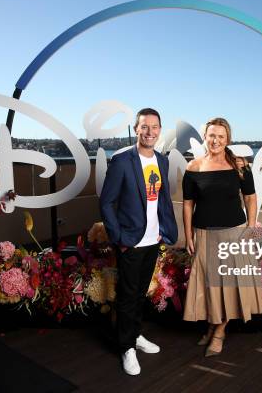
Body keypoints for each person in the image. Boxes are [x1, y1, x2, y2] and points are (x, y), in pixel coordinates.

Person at [100, 108, 178, 376]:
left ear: (160, 130)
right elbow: (107, 202)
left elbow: (161, 199)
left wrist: (164, 230)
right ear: (136, 129)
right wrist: (119, 237)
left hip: (153, 238)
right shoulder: (122, 161)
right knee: (128, 295)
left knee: (141, 292)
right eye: (144, 127)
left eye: (154, 127)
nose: (149, 132)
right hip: (131, 241)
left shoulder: (162, 160)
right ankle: (126, 347)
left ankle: (135, 335)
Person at [182, 117, 262, 357]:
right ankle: (212, 324)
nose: (215, 140)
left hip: (234, 234)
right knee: (210, 286)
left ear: (227, 139)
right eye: (211, 135)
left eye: (220, 136)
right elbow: (188, 204)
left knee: (230, 285)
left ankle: (219, 331)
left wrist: (250, 227)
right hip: (204, 234)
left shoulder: (239, 165)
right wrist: (188, 235)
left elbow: (250, 197)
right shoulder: (193, 168)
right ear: (205, 138)